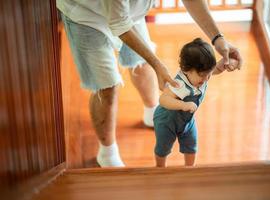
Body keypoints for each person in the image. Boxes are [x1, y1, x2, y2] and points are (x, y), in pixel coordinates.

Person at [57, 0, 242, 167]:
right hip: (87, 15)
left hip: (130, 12)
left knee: (141, 63)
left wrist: (218, 38)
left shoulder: (198, 78)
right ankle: (107, 152)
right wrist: (158, 65)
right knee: (106, 86)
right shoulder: (183, 82)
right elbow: (119, 23)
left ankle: (151, 113)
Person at [154, 38, 239, 167]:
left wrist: (229, 62)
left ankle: (189, 169)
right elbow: (163, 99)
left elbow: (218, 68)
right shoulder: (180, 83)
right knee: (163, 148)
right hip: (166, 121)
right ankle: (159, 168)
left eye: (209, 74)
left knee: (191, 146)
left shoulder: (203, 74)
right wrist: (183, 105)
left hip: (186, 121)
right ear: (186, 70)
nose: (206, 79)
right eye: (202, 76)